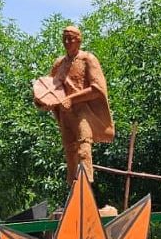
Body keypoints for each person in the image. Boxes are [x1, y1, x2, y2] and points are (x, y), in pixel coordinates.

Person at [39, 25, 114, 185]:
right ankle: (73, 191)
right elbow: (51, 89)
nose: (67, 42)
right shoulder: (59, 63)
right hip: (65, 114)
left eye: (70, 38)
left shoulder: (88, 59)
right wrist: (42, 101)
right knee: (70, 152)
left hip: (83, 112)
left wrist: (72, 99)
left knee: (83, 149)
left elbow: (97, 89)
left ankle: (85, 189)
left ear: (79, 40)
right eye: (64, 38)